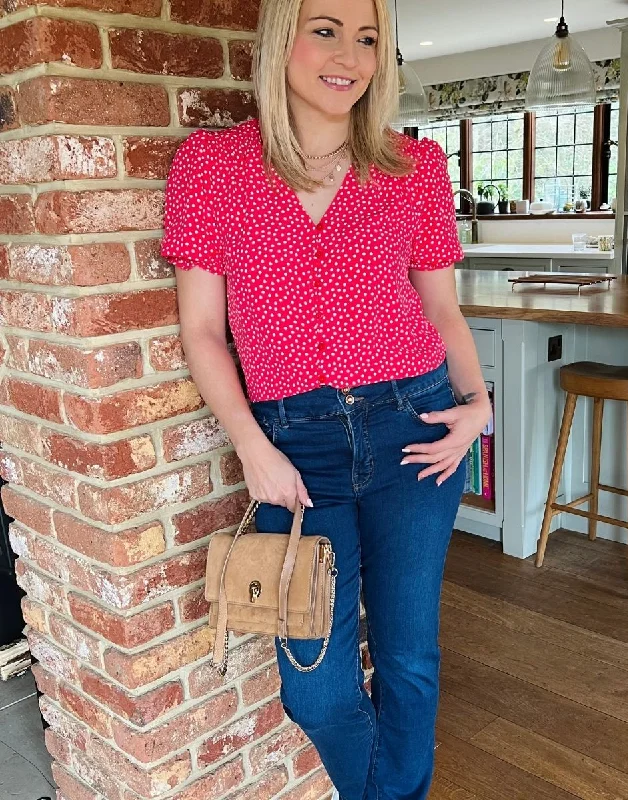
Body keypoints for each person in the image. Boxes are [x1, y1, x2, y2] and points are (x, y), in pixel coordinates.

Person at [160, 0, 490, 797]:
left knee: (408, 658)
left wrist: (479, 404)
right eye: (327, 28)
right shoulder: (212, 167)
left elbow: (441, 308)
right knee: (313, 687)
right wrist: (251, 446)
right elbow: (203, 332)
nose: (349, 54)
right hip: (294, 450)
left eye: (369, 37)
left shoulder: (413, 168)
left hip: (414, 426)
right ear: (283, 38)